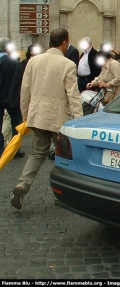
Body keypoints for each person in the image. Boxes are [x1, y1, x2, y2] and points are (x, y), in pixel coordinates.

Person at [10, 28, 83, 210]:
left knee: (36, 154)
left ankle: (22, 185)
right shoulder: (67, 65)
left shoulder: (33, 61)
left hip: (37, 116)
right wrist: (79, 120)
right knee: (62, 157)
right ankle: (61, 194)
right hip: (59, 119)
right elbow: (73, 95)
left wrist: (26, 116)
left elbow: (24, 91)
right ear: (64, 43)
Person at [0, 37, 25, 159]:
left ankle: (1, 150)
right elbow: (18, 82)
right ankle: (15, 149)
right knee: (16, 124)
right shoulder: (13, 63)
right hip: (11, 97)